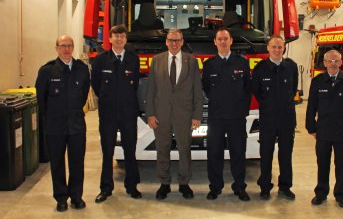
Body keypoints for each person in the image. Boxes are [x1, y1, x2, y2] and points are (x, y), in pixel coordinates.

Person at [145, 28, 203, 200]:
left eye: (177, 40)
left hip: (184, 114)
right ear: (166, 42)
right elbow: (151, 90)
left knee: (184, 149)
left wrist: (197, 115)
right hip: (161, 114)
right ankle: (164, 184)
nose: (174, 43)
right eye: (171, 40)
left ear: (182, 42)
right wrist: (150, 114)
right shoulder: (156, 60)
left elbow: (197, 91)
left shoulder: (191, 61)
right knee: (162, 149)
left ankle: (184, 183)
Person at [35, 35, 90, 212]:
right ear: (57, 48)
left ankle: (76, 196)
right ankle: (61, 198)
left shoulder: (82, 69)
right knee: (57, 164)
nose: (66, 49)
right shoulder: (47, 71)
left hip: (76, 125)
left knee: (77, 163)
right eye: (63, 45)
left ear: (73, 47)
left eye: (69, 45)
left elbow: (83, 95)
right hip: (55, 127)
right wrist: (52, 118)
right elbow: (41, 100)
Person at [91, 25, 141, 203]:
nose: (119, 39)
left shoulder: (133, 59)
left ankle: (132, 186)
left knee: (130, 150)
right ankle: (106, 188)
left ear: (126, 39)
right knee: (107, 151)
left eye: (122, 36)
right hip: (108, 113)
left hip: (128, 113)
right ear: (110, 39)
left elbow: (134, 86)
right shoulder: (100, 60)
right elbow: (96, 85)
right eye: (115, 36)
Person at [306, 49, 343, 209]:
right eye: (330, 61)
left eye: (336, 60)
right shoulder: (318, 81)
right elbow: (311, 106)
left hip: (342, 131)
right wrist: (311, 127)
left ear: (341, 62)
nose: (333, 64)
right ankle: (321, 193)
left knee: (342, 164)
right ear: (324, 63)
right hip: (322, 130)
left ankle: (341, 195)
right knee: (322, 163)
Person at [202, 28, 251, 201]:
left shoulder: (242, 63)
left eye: (226, 39)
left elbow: (247, 88)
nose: (223, 42)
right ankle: (215, 187)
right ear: (215, 42)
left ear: (231, 41)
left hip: (236, 117)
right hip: (216, 117)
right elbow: (206, 88)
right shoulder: (209, 65)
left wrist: (241, 110)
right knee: (214, 153)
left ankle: (239, 187)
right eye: (219, 39)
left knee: (238, 152)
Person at [251, 35, 298, 200]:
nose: (277, 50)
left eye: (280, 47)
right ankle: (265, 186)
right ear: (268, 49)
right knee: (266, 155)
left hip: (287, 120)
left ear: (284, 48)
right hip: (268, 120)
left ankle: (285, 187)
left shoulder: (291, 67)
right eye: (274, 47)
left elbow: (293, 89)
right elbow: (257, 91)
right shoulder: (260, 68)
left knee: (286, 155)